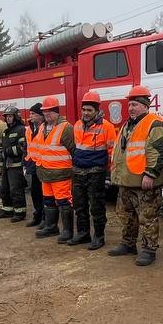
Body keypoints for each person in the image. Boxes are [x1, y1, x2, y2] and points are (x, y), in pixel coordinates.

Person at [109, 86, 163, 266]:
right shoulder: (128, 124)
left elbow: (159, 153)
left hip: (144, 181)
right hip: (127, 180)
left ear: (145, 105)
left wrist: (150, 174)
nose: (131, 108)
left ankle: (149, 250)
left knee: (147, 218)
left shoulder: (154, 123)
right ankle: (128, 244)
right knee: (126, 216)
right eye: (130, 105)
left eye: (135, 104)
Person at [68, 90, 117, 249]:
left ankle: (99, 236)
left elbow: (112, 152)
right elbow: (75, 147)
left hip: (96, 172)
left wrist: (109, 174)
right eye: (84, 110)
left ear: (97, 110)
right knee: (79, 205)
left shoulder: (107, 127)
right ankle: (83, 233)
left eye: (89, 110)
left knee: (96, 206)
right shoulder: (77, 125)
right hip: (78, 171)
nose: (86, 113)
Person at [31, 96, 76, 241]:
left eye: (49, 112)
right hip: (45, 173)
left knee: (64, 202)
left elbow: (73, 150)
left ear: (57, 112)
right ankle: (51, 227)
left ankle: (67, 231)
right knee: (48, 201)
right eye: (44, 112)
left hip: (61, 174)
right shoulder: (43, 127)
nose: (46, 115)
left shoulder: (66, 127)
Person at [0, 106, 29, 223]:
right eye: (6, 117)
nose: (8, 118)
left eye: (10, 116)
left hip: (16, 166)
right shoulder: (6, 131)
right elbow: (3, 146)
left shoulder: (21, 130)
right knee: (4, 189)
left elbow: (22, 148)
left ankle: (20, 212)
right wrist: (0, 151)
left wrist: (6, 151)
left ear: (16, 117)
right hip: (6, 165)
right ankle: (7, 209)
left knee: (15, 189)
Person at [24, 103, 45, 227]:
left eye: (33, 114)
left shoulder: (45, 128)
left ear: (41, 116)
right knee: (35, 192)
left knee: (44, 193)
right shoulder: (29, 129)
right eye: (30, 113)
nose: (30, 116)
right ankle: (37, 215)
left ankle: (45, 217)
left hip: (43, 164)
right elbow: (27, 146)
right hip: (32, 163)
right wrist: (25, 162)